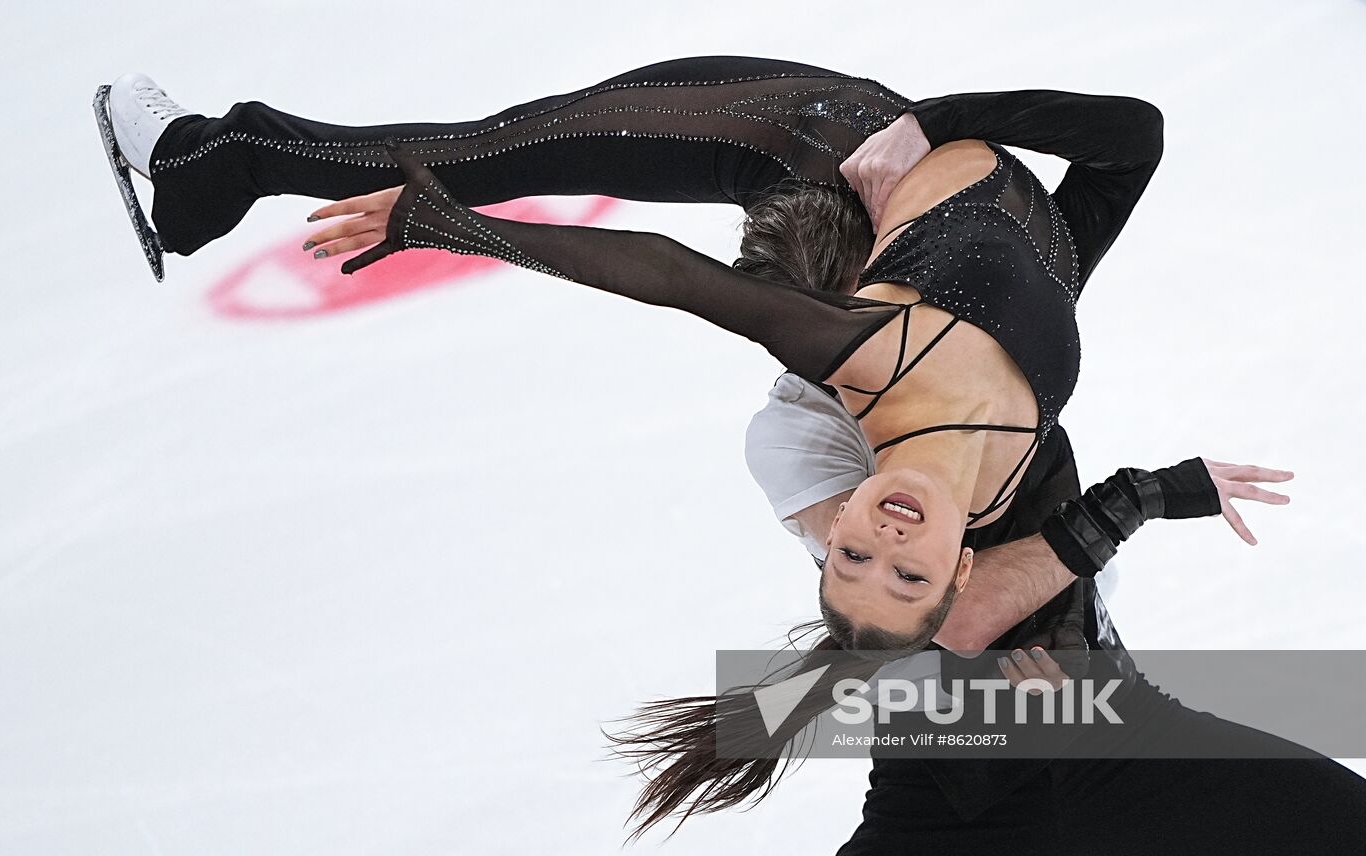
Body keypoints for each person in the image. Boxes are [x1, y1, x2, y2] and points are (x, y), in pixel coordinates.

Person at [97, 56, 1364, 851]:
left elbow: (670, 276)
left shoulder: (868, 368)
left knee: (495, 146)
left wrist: (454, 229)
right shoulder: (999, 411)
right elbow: (1127, 136)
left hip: (798, 136)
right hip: (1036, 729)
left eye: (852, 548)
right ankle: (220, 163)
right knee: (499, 140)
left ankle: (219, 160)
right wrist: (935, 125)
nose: (885, 529)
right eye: (895, 562)